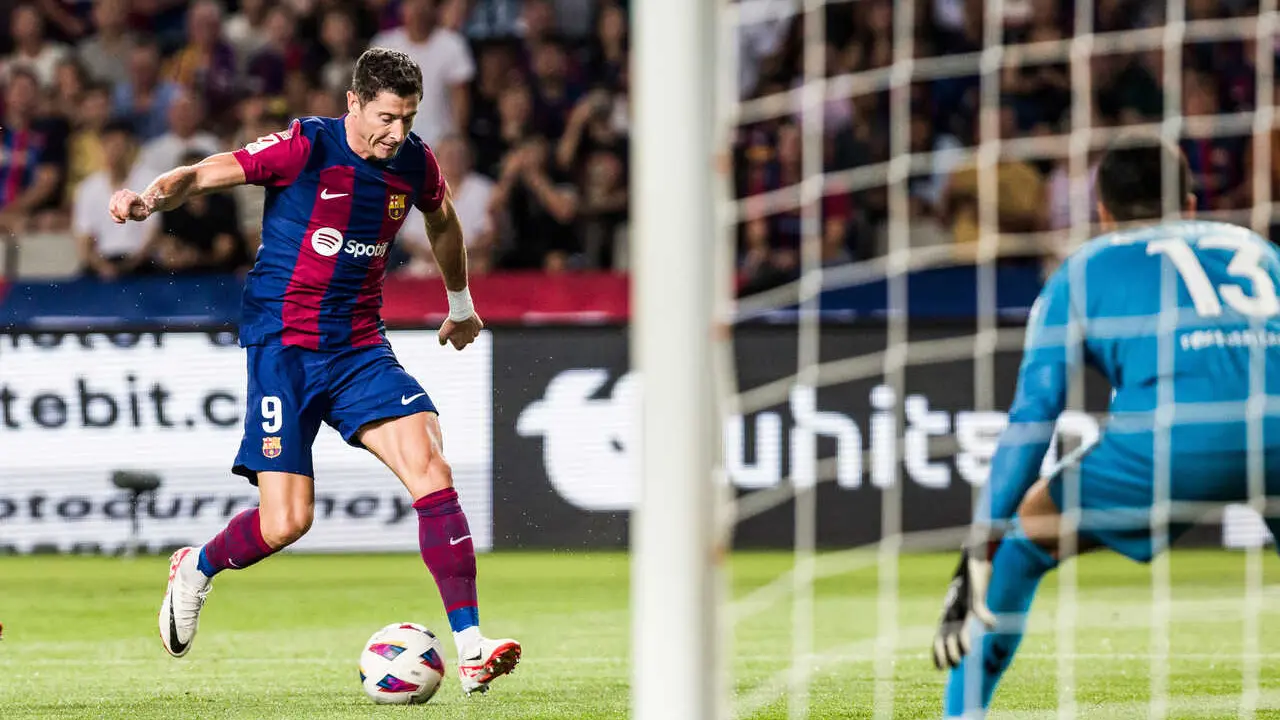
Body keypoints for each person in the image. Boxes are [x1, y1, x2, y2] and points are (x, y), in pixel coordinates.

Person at [108, 47, 520, 695]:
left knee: (432, 466)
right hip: (283, 347)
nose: (398, 133)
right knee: (287, 522)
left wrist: (461, 303)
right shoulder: (305, 146)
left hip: (359, 346)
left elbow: (442, 221)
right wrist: (152, 200)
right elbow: (210, 170)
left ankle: (471, 645)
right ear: (353, 102)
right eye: (387, 117)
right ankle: (197, 566)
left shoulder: (414, 162)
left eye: (409, 119)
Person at [933, 139, 1280, 717]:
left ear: (1103, 213)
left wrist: (982, 540)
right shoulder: (1262, 250)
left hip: (1175, 440)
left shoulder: (1085, 269)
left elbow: (1034, 416)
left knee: (1023, 544)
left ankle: (961, 714)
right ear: (1190, 205)